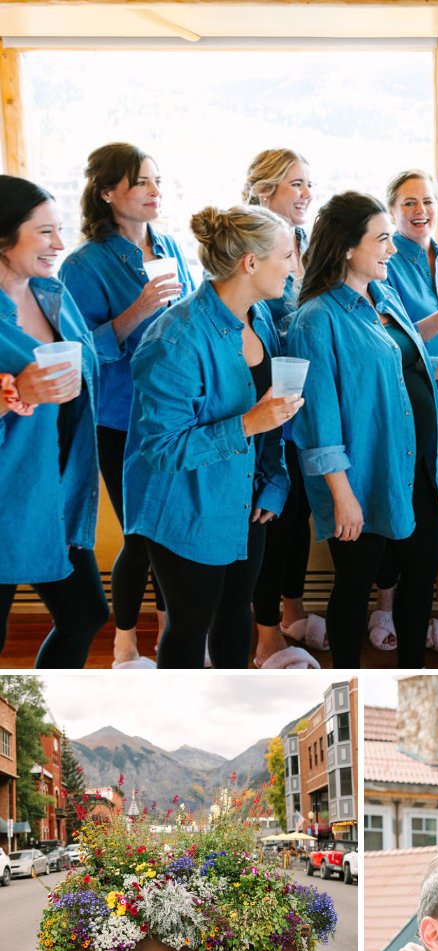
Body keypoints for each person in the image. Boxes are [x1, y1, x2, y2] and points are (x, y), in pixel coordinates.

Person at [288, 192, 438, 669]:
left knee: (420, 579)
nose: (392, 249)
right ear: (347, 248)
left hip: (418, 468)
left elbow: (400, 370)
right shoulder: (316, 319)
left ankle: (411, 671)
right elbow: (318, 420)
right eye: (381, 239)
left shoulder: (383, 295)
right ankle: (344, 680)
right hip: (362, 478)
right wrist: (342, 495)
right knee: (354, 587)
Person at [125, 205, 296, 669]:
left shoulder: (259, 319)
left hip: (249, 504)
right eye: (286, 255)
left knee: (237, 617)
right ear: (251, 263)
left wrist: (274, 483)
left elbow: (273, 419)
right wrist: (246, 425)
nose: (294, 267)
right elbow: (160, 449)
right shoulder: (175, 338)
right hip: (186, 510)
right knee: (190, 624)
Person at [59, 143, 192, 668]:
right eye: (141, 182)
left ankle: (172, 635)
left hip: (178, 412)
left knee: (173, 530)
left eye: (157, 181)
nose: (155, 192)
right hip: (119, 418)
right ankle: (125, 642)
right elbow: (78, 354)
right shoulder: (83, 266)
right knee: (140, 533)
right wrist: (137, 311)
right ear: (108, 191)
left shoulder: (172, 248)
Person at [370, 169, 438, 659]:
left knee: (428, 522)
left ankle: (417, 614)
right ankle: (384, 609)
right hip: (411, 415)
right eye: (409, 202)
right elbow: (387, 342)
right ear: (392, 211)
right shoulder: (386, 262)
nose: (421, 211)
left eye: (429, 201)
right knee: (402, 519)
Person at [0, 175, 108, 667]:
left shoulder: (52, 294)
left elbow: (89, 364)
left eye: (59, 230)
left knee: (85, 614)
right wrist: (16, 393)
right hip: (6, 497)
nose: (59, 245)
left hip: (54, 491)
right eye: (44, 232)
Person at [242, 148, 327, 669]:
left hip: (304, 403)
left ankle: (293, 609)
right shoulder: (251, 244)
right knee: (268, 518)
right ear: (264, 191)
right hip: (262, 403)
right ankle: (265, 632)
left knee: (298, 514)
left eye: (308, 183)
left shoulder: (307, 243)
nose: (306, 194)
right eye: (296, 183)